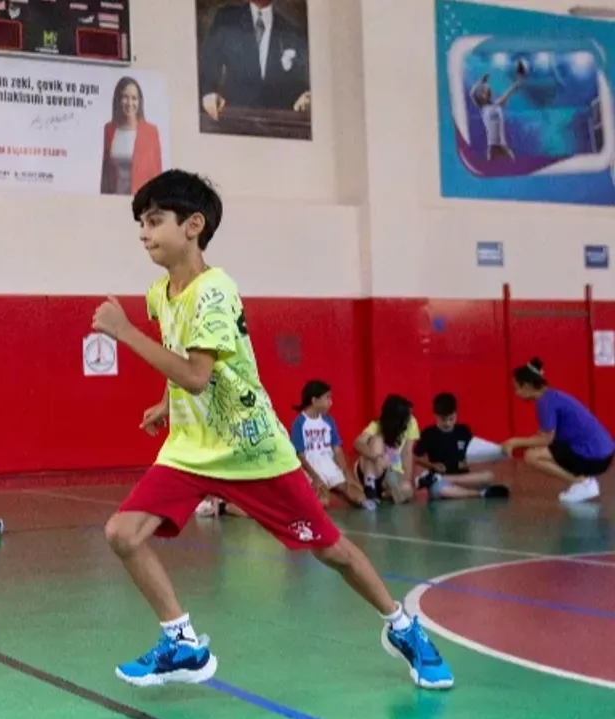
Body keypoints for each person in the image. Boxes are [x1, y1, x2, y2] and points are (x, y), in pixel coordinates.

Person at [90, 169, 452, 690]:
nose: (143, 233)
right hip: (189, 450)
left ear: (193, 225)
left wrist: (124, 333)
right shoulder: (160, 294)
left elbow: (196, 374)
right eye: (140, 224)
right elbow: (182, 362)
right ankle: (183, 642)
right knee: (122, 533)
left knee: (330, 549)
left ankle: (401, 626)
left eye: (154, 220)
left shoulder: (215, 292)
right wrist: (165, 404)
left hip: (251, 450)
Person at [503, 358, 613, 503]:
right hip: (603, 454)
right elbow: (544, 435)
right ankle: (583, 481)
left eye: (517, 388)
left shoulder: (545, 402)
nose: (516, 393)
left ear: (528, 386)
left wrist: (514, 442)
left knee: (532, 456)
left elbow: (546, 439)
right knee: (537, 450)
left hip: (595, 457)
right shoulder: (552, 396)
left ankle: (583, 482)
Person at [289, 380, 373, 509]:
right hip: (311, 467)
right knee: (322, 501)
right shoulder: (299, 423)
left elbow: (337, 449)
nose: (331, 402)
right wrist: (315, 477)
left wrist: (347, 474)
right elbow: (300, 455)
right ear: (314, 400)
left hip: (329, 464)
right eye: (327, 398)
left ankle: (337, 489)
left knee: (359, 496)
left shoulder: (329, 420)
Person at [414, 393, 510, 500]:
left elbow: (472, 452)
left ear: (456, 414)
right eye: (443, 420)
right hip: (441, 478)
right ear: (435, 415)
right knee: (442, 490)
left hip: (462, 477)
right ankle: (480, 494)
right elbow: (416, 457)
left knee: (488, 476)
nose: (448, 423)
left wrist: (467, 463)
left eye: (451, 419)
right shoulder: (428, 434)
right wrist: (432, 465)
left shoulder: (463, 430)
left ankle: (437, 479)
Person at [354, 395, 419, 505]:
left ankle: (384, 493)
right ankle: (370, 486)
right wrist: (376, 458)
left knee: (407, 489)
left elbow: (407, 453)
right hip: (371, 468)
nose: (410, 417)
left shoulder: (411, 423)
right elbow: (358, 443)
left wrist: (407, 479)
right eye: (407, 415)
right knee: (377, 440)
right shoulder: (377, 425)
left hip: (391, 473)